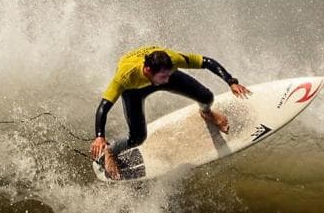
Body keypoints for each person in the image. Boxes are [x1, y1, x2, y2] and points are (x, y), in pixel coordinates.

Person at [91, 46, 251, 179]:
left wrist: (231, 81)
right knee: (137, 138)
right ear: (147, 70)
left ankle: (206, 113)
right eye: (164, 77)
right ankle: (111, 151)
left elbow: (206, 62)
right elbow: (104, 106)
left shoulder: (172, 61)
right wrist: (100, 136)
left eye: (169, 74)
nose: (167, 81)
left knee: (206, 97)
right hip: (134, 91)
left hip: (160, 72)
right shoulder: (126, 76)